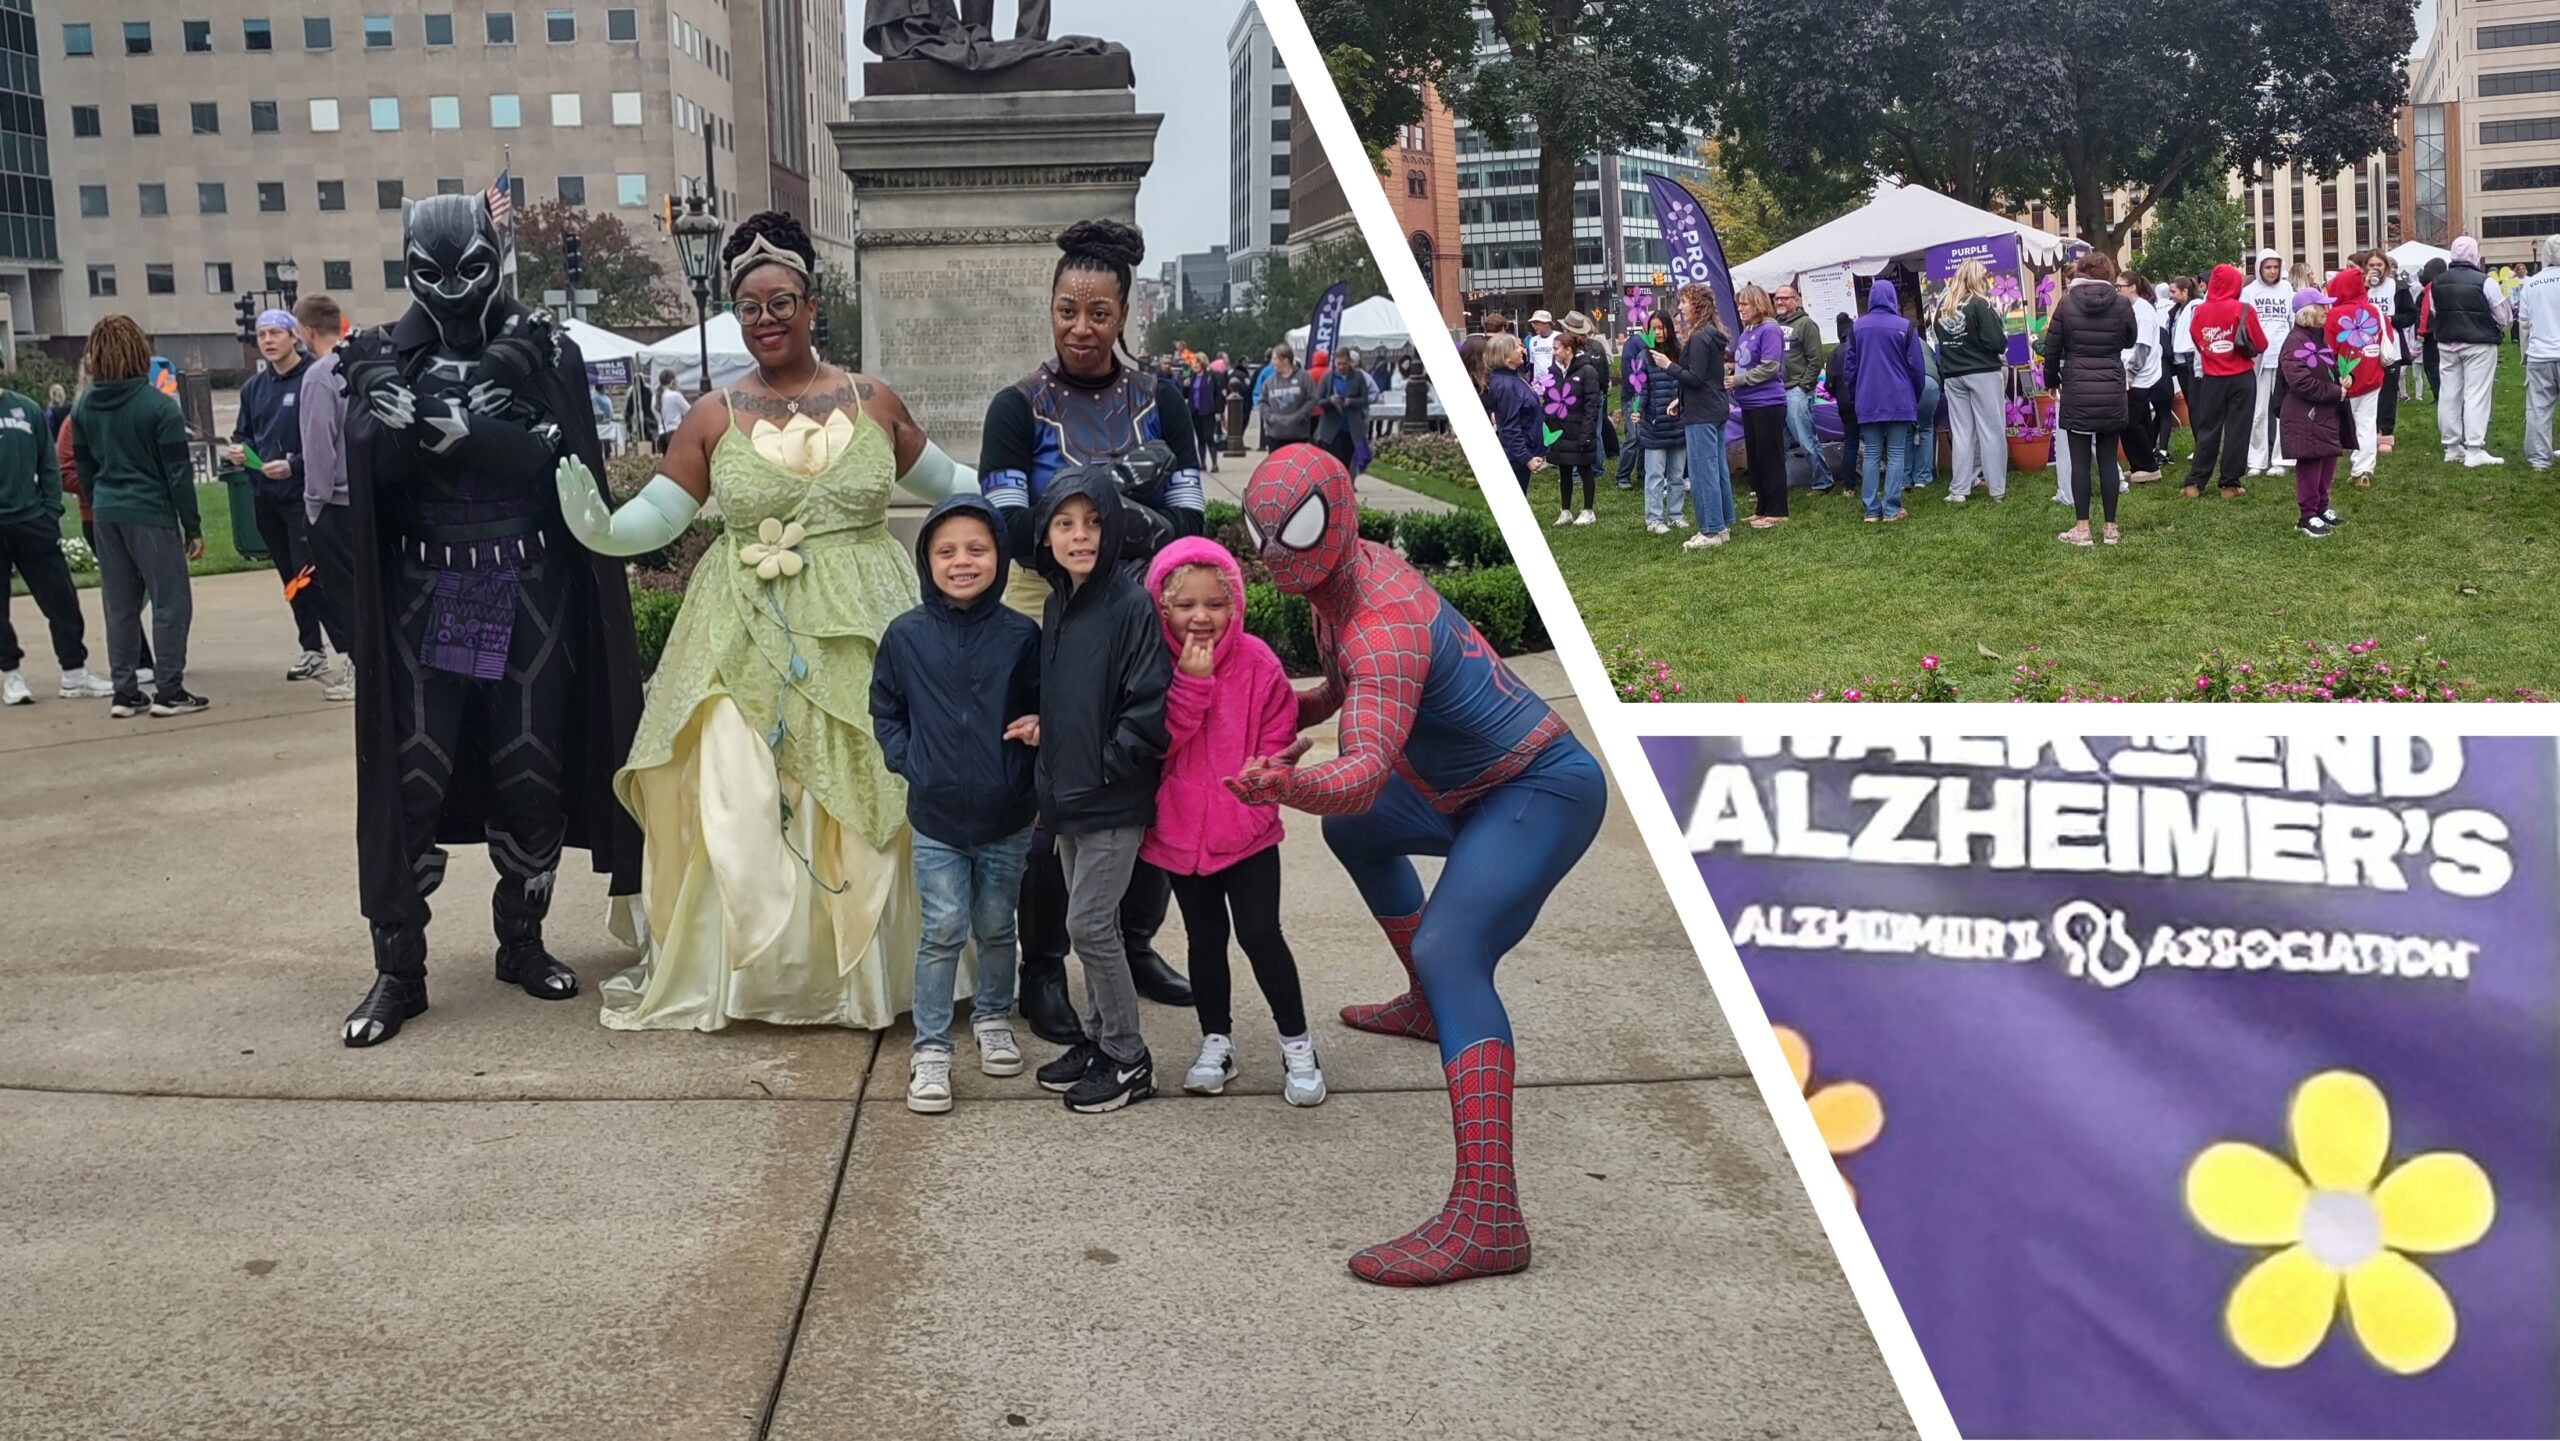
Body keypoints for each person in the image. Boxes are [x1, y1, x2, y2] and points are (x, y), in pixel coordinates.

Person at [558, 210, 974, 1043]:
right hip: (740, 628)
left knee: (881, 775)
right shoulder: (712, 414)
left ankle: (877, 974)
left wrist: (1033, 485)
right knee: (734, 787)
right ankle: (759, 974)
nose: (765, 320)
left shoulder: (873, 400)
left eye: (780, 301)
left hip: (867, 623)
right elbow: (663, 512)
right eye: (749, 307)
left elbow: (952, 483)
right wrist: (602, 530)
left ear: (812, 303)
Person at [1231, 445, 1606, 1285]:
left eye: (1289, 530)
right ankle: (1428, 1006)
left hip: (1537, 787)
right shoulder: (1342, 580)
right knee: (1356, 838)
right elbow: (1342, 691)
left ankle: (1489, 1217)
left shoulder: (1382, 618)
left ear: (1334, 516)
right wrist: (1249, 698)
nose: (1273, 550)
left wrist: (1285, 785)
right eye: (1262, 532)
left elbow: (1362, 772)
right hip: (1461, 788)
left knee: (1453, 946)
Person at [335, 192, 645, 1046]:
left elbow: (561, 459)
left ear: (495, 257)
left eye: (469, 267)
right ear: (406, 266)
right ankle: (399, 970)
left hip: (527, 588)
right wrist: (480, 426)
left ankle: (523, 940)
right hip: (427, 592)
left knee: (531, 775)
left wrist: (449, 425)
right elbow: (378, 463)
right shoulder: (375, 358)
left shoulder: (543, 348)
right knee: (413, 782)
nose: (452, 289)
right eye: (430, 272)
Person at [978, 220, 1201, 1041]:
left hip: (1148, 623)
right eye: (1068, 309)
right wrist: (1126, 493)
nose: (1082, 328)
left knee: (1153, 789)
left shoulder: (1163, 398)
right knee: (1053, 803)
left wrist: (1082, 502)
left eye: (1099, 313)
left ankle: (1131, 940)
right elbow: (1013, 534)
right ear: (1051, 307)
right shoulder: (1017, 408)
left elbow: (1189, 526)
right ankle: (1043, 967)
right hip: (1055, 621)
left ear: (1124, 314)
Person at [870, 493, 1041, 1114]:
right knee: (941, 931)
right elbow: (885, 708)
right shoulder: (906, 635)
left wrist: (1036, 737)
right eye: (946, 551)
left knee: (998, 924)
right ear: (927, 560)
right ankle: (933, 1048)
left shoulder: (1022, 636)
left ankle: (994, 1015)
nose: (962, 561)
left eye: (977, 548)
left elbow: (1043, 704)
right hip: (936, 817)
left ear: (998, 554)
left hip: (1007, 815)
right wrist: (909, 760)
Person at [1141, 535, 1323, 1106]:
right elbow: (1155, 745)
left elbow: (1275, 733)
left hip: (1245, 832)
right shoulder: (1152, 665)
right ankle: (1215, 1039)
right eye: (1185, 605)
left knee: (1261, 935)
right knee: (1204, 939)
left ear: (1234, 604)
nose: (1201, 617)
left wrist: (1269, 771)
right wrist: (1191, 686)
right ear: (1162, 606)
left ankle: (1297, 1043)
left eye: (1215, 605)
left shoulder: (1257, 663)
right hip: (1178, 835)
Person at [1025, 469, 1172, 1114]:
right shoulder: (1060, 603)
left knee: (1089, 925)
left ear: (1113, 529)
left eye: (1092, 522)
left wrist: (1109, 767)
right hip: (1068, 796)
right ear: (1047, 536)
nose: (1080, 536)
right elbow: (1073, 698)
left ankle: (1127, 1058)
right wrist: (1047, 731)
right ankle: (1098, 1038)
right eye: (1065, 524)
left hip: (1111, 797)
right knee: (1088, 923)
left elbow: (1147, 706)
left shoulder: (1129, 604)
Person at [69, 315, 202, 718]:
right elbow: (178, 475)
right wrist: (191, 526)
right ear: (139, 353)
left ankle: (124, 691)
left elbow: (85, 467)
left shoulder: (83, 407)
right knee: (170, 602)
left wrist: (100, 503)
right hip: (151, 512)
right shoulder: (159, 408)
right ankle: (169, 688)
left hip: (106, 512)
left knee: (120, 605)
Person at [229, 308, 340, 686]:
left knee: (312, 576)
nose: (268, 341)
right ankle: (311, 647)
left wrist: (293, 465)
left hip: (303, 496)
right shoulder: (254, 389)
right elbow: (243, 433)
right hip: (267, 496)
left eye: (276, 332)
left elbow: (329, 440)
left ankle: (350, 649)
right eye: (262, 335)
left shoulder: (314, 377)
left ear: (296, 336)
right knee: (290, 578)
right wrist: (240, 451)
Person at [0, 376, 113, 707]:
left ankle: (75, 672)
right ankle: (11, 675)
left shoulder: (26, 409)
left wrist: (49, 513)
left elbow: (48, 465)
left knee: (61, 599)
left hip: (32, 520)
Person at [2040, 252, 2137, 547]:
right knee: (2108, 459)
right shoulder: (2121, 304)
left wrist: (2052, 381)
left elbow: (2051, 348)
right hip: (2110, 386)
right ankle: (2110, 528)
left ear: (2080, 272)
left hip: (2078, 388)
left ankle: (2082, 528)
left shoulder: (2067, 304)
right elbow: (2130, 339)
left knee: (2080, 463)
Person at [293, 293, 356, 703]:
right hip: (369, 497)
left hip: (335, 502)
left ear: (307, 331)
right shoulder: (362, 366)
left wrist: (313, 503)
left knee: (343, 593)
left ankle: (357, 665)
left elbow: (319, 445)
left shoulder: (319, 375)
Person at [2419, 235, 2511, 467]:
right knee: (2476, 394)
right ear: (2474, 254)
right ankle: (2474, 449)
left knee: (2449, 394)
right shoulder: (2485, 281)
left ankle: (2451, 447)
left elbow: (2434, 312)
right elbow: (2503, 316)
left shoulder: (2437, 283)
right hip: (2479, 343)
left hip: (2447, 343)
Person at [1839, 278, 1924, 523]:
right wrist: (1913, 396)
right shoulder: (1905, 327)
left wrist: (1857, 396)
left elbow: (1850, 369)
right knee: (1896, 453)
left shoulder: (1856, 328)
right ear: (1893, 298)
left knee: (1873, 453)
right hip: (1900, 399)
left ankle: (1870, 510)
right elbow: (1916, 369)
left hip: (1867, 399)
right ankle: (1891, 509)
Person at [1654, 284, 1732, 551]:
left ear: (1697, 304)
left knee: (1702, 471)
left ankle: (1710, 530)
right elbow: (1708, 377)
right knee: (1717, 468)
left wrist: (1668, 366)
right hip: (1713, 407)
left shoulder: (1700, 337)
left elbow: (1696, 377)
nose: (1680, 308)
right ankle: (1721, 525)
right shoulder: (1711, 334)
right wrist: (1681, 399)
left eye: (1684, 302)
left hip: (1703, 413)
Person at [2179, 263, 2266, 501]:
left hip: (2212, 378)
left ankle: (2195, 482)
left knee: (2208, 429)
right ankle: (2229, 483)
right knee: (2238, 430)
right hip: (2240, 376)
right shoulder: (2243, 309)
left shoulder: (2200, 311)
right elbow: (2260, 344)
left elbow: (2197, 341)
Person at [2278, 286, 2351, 539]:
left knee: (2327, 458)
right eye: (2322, 306)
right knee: (2311, 462)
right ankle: (2307, 515)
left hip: (2322, 413)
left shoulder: (2315, 337)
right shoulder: (2295, 342)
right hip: (2305, 414)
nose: (2327, 311)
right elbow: (2300, 382)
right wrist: (2334, 392)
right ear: (2309, 312)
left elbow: (2325, 370)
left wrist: (2342, 379)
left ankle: (2320, 507)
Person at [1935, 260, 2008, 503]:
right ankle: (1996, 490)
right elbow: (1997, 342)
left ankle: (1959, 490)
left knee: (1962, 432)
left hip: (1953, 374)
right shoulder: (1981, 304)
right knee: (1991, 431)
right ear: (1976, 278)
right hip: (1983, 372)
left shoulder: (1943, 307)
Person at [2323, 266, 2390, 488]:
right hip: (2372, 374)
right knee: (2367, 423)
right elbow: (2386, 337)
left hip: (2345, 376)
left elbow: (2328, 347)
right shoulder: (2374, 311)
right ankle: (2363, 469)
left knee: (2337, 423)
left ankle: (2326, 468)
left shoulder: (2334, 314)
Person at [1730, 286, 1789, 529]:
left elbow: (1769, 367)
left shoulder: (1770, 330)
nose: (1741, 308)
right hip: (1749, 404)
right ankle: (1762, 507)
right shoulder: (1746, 333)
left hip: (1768, 403)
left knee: (1770, 457)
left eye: (1745, 304)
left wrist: (1738, 380)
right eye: (1739, 304)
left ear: (1758, 304)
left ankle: (1777, 509)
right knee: (1755, 459)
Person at [1772, 282, 1837, 493]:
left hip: (1796, 390)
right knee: (1777, 442)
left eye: (1784, 298)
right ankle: (1777, 484)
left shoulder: (1806, 324)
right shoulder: (1772, 324)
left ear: (1796, 300)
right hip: (1775, 391)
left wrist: (1803, 386)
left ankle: (1823, 480)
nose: (1779, 301)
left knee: (1806, 439)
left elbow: (1816, 359)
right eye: (1777, 298)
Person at [1545, 311, 1607, 526]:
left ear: (1568, 349)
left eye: (1556, 349)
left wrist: (1587, 432)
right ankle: (1565, 510)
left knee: (1583, 468)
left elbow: (1592, 404)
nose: (1553, 353)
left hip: (1579, 427)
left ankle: (1588, 509)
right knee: (1564, 470)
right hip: (1561, 429)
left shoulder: (1587, 371)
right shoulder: (1553, 372)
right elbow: (1549, 398)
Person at [2241, 249, 2296, 475]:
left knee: (2283, 409)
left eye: (2275, 267)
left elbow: (2293, 320)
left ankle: (2282, 459)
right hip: (2258, 358)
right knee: (2258, 410)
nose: (2272, 271)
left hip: (2282, 356)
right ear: (2259, 268)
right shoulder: (2249, 292)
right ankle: (2257, 460)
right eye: (2267, 267)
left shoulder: (2287, 288)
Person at [1635, 312, 1688, 533]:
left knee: (1677, 475)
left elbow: (1686, 383)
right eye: (1653, 328)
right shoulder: (1645, 356)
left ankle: (1676, 514)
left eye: (1660, 328)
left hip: (1678, 423)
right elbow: (1641, 389)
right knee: (1655, 476)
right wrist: (1638, 409)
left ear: (1669, 328)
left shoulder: (1681, 354)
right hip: (1654, 425)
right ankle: (1654, 519)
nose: (1657, 332)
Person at [2114, 270, 2165, 482]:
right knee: (2139, 420)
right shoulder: (2132, 308)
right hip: (2134, 374)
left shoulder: (2142, 312)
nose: (2116, 290)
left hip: (2138, 375)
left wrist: (2130, 375)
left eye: (2120, 287)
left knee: (2132, 422)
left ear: (2132, 287)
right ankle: (2139, 464)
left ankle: (2147, 465)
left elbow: (2142, 347)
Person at [2520, 233, 2560, 472]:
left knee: (2538, 408)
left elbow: (2524, 322)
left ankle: (2539, 459)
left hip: (2540, 354)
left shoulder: (2532, 283)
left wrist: (2524, 355)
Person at [1484, 333, 1543, 490]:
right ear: (1506, 356)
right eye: (1517, 347)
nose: (1521, 349)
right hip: (1515, 458)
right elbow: (1509, 427)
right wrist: (1526, 458)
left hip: (1521, 452)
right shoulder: (1506, 385)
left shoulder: (1513, 377)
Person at [1612, 317, 1649, 492]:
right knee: (1634, 436)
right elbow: (1628, 372)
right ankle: (1623, 475)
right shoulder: (1633, 344)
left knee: (1645, 437)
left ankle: (1643, 474)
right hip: (1633, 395)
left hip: (1650, 396)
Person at [1257, 344, 1315, 451]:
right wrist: (1269, 416)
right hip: (1275, 434)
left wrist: (1301, 415)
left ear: (1285, 360)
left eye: (1275, 359)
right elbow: (1261, 401)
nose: (1272, 363)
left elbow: (1312, 398)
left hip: (1298, 434)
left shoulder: (1304, 377)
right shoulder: (1269, 381)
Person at [1186, 358, 1222, 473]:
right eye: (1193, 364)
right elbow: (1186, 394)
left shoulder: (1211, 377)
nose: (1195, 365)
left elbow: (1217, 395)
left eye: (1197, 363)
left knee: (1209, 437)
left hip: (1208, 411)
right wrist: (1185, 386)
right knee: (1200, 438)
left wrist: (1218, 411)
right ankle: (1202, 464)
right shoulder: (1192, 377)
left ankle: (1214, 463)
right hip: (1195, 411)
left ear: (1202, 363)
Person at [653, 370, 690, 455]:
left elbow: (656, 415)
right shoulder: (675, 396)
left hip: (662, 433)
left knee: (667, 461)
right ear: (672, 381)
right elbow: (689, 411)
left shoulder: (654, 398)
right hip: (675, 432)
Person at [1525, 309, 1557, 377]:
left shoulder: (1558, 337)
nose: (1533, 326)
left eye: (1536, 323)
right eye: (1533, 323)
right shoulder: (1533, 340)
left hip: (1555, 382)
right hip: (1538, 384)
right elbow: (1532, 363)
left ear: (1547, 323)